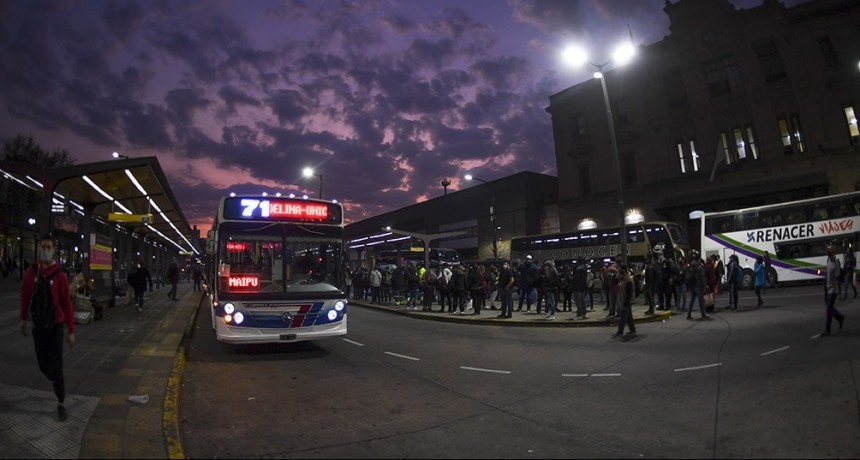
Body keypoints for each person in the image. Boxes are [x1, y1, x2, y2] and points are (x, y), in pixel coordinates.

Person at [18, 233, 76, 422]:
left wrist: (71, 330)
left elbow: (67, 303)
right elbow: (25, 296)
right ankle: (56, 381)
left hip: (56, 326)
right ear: (39, 249)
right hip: (39, 326)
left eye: (49, 247)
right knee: (43, 365)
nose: (45, 250)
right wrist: (22, 319)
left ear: (54, 250)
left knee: (57, 365)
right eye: (43, 247)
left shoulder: (60, 276)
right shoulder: (31, 272)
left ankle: (61, 402)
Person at [822, 248, 845, 336]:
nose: (829, 255)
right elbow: (827, 273)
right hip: (827, 288)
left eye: (830, 254)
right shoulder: (828, 260)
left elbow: (838, 279)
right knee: (829, 307)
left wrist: (840, 293)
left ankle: (828, 329)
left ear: (833, 254)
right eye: (828, 254)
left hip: (833, 290)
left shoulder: (836, 264)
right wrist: (824, 284)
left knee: (828, 309)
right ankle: (840, 317)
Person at [613, 264, 636, 338]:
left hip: (627, 301)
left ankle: (620, 331)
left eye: (620, 269)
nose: (619, 271)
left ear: (624, 270)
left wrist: (626, 303)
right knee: (629, 317)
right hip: (625, 300)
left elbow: (629, 294)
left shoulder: (628, 280)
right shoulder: (624, 278)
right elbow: (613, 282)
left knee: (623, 317)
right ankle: (632, 330)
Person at [686, 253, 709, 320]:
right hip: (698, 286)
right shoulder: (699, 267)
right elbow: (702, 277)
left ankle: (689, 314)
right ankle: (703, 315)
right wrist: (705, 286)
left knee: (692, 301)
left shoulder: (691, 266)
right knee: (701, 301)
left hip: (692, 285)